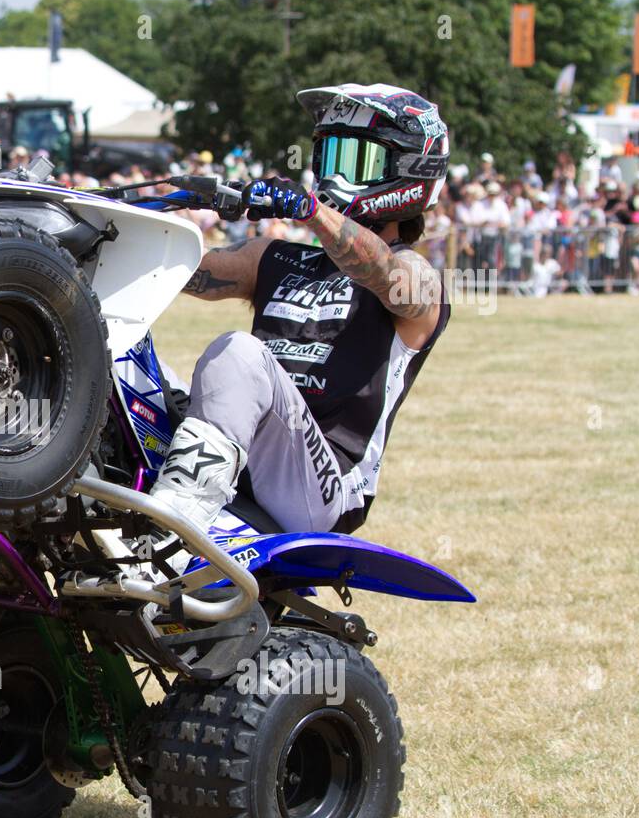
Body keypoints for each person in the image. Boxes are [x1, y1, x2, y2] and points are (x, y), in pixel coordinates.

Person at [148, 83, 451, 547]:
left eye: (355, 160)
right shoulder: (273, 257)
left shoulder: (413, 274)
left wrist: (312, 212)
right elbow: (178, 269)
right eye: (327, 157)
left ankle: (169, 535)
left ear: (407, 172)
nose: (333, 174)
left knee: (240, 353)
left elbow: (390, 276)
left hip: (327, 486)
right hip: (250, 454)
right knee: (125, 348)